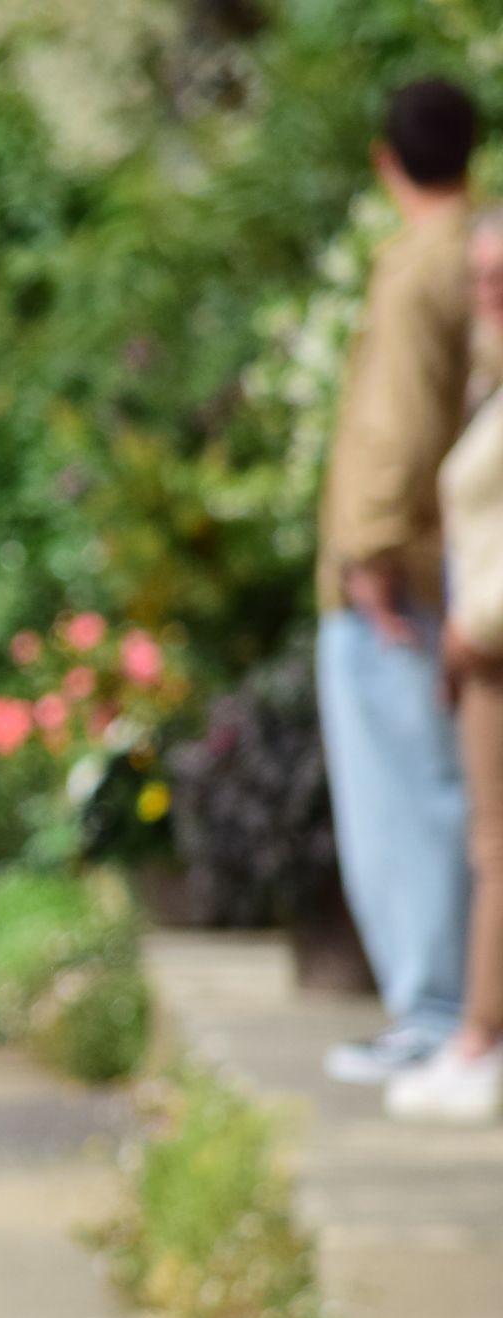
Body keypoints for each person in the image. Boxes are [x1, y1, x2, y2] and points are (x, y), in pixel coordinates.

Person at [315, 78, 480, 1087]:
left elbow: (395, 420)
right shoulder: (475, 246)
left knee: (404, 802)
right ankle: (448, 1005)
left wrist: (367, 552)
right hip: (447, 569)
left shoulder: (422, 262)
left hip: (398, 581)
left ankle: (432, 1010)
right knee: (443, 792)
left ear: (385, 159)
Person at [392, 205, 503, 1125]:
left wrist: (475, 626)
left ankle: (479, 1038)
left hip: (492, 642)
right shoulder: (488, 380)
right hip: (479, 646)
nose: (488, 293)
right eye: (479, 278)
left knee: (496, 849)